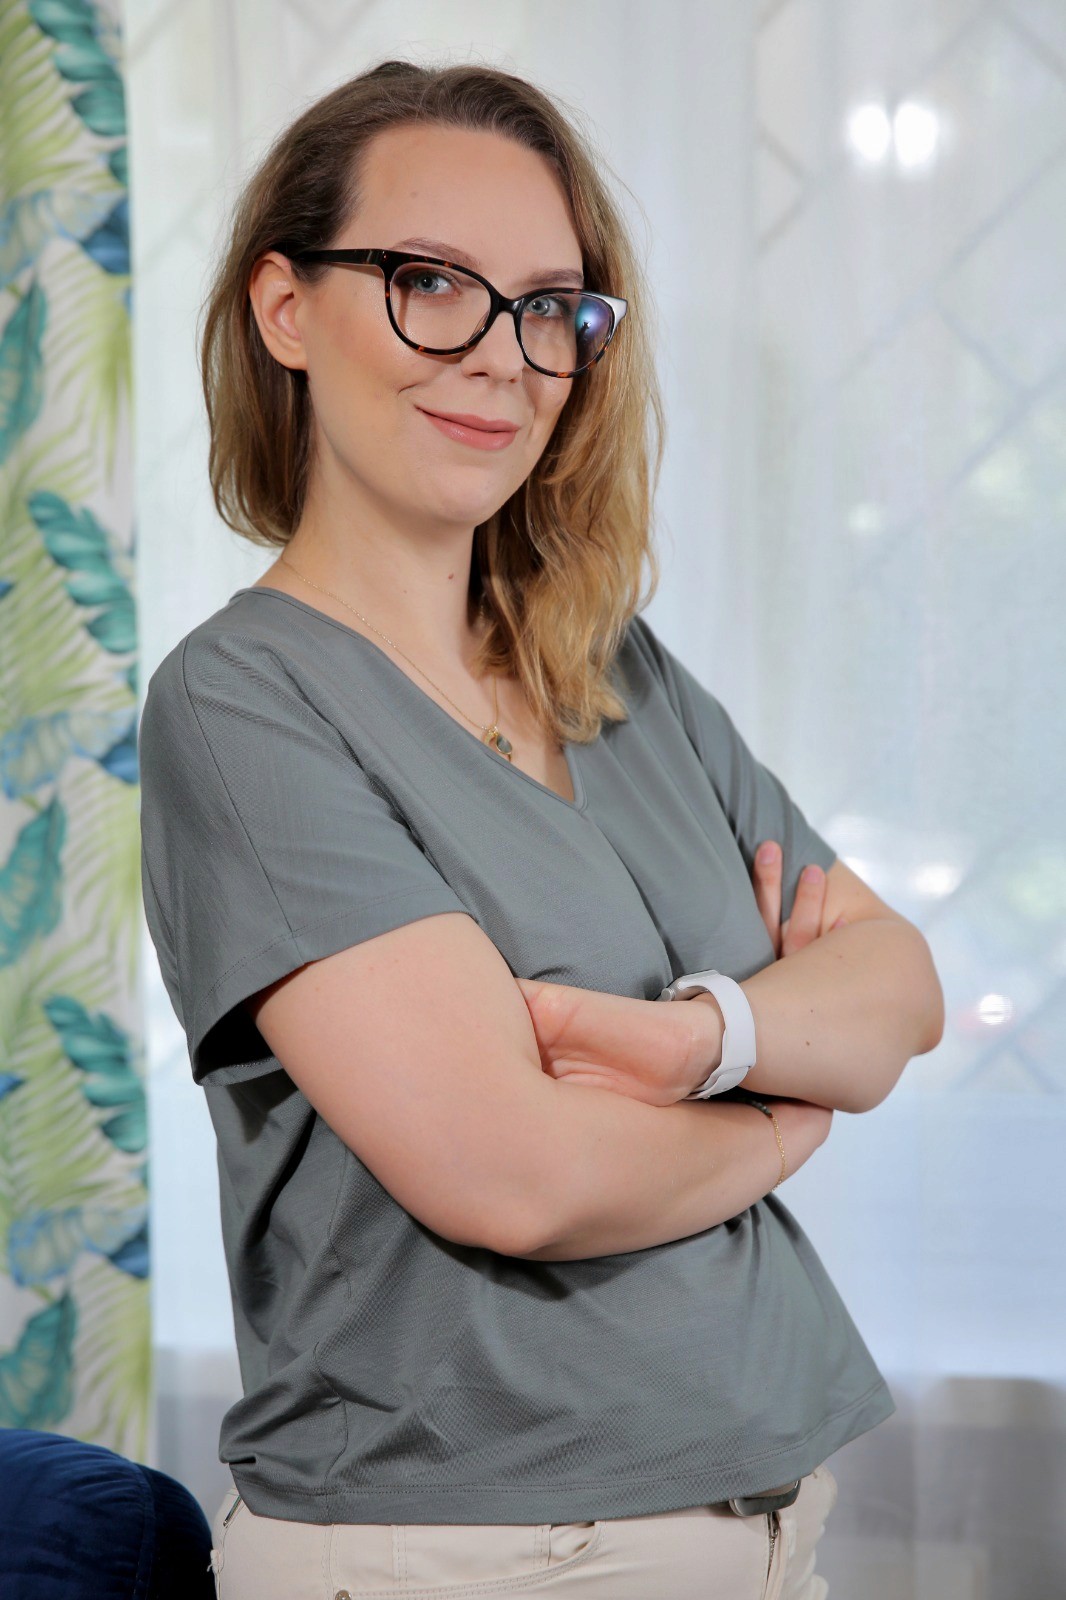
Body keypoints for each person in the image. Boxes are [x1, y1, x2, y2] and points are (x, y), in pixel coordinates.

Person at [138, 58, 944, 1600]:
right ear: (286, 310)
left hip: (770, 1520)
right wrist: (782, 1101)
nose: (499, 357)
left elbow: (894, 992)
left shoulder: (609, 665)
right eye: (428, 283)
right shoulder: (243, 704)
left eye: (549, 306)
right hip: (473, 1554)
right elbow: (510, 1176)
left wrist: (687, 1042)